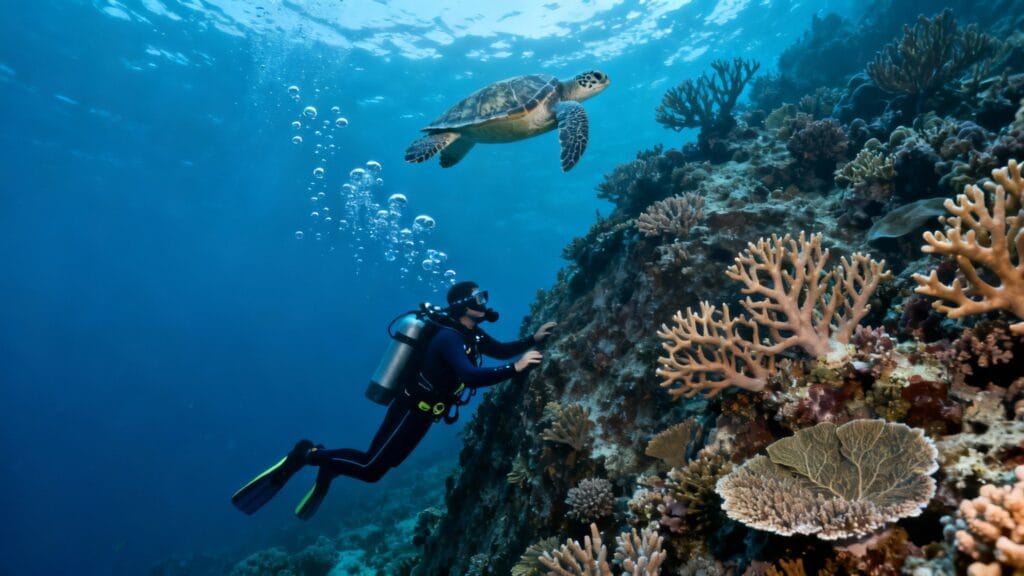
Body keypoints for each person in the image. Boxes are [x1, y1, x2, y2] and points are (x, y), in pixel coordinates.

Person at [231, 281, 557, 520]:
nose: (485, 302)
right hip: (410, 409)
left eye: (484, 296)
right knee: (372, 467)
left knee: (376, 467)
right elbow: (470, 375)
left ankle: (329, 465)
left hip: (426, 415)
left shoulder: (471, 333)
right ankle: (308, 454)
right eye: (478, 298)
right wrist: (515, 369)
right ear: (463, 306)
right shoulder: (447, 337)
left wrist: (532, 339)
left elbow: (497, 349)